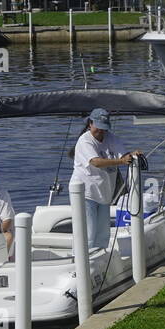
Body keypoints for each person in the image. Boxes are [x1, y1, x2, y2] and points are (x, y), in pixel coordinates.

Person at [70, 107, 142, 251]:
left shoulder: (111, 138)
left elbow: (123, 154)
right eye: (98, 127)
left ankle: (100, 262)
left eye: (104, 128)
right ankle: (80, 264)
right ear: (90, 124)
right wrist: (120, 162)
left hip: (104, 194)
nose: (101, 131)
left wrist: (131, 155)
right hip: (86, 193)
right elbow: (95, 162)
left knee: (103, 234)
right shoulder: (85, 141)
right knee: (88, 234)